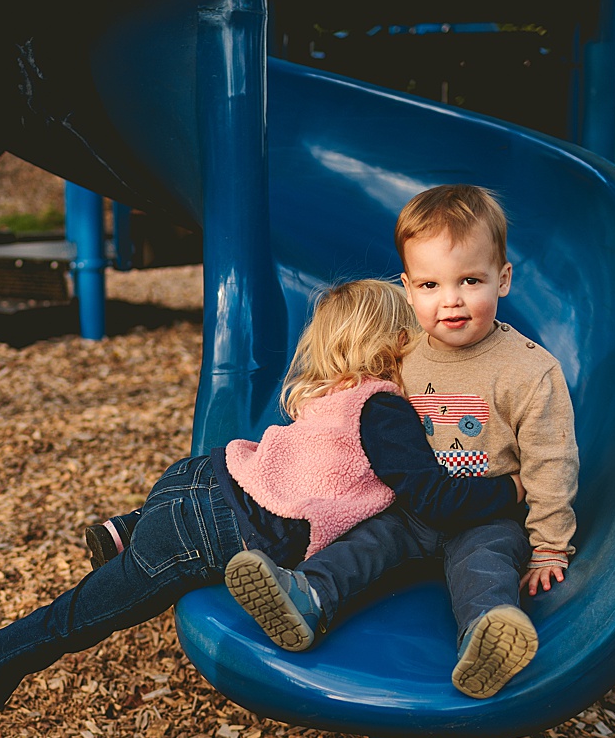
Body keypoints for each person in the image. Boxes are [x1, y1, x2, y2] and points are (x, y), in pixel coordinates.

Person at [0, 279, 523, 738]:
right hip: (216, 531)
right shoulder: (386, 411)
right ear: (393, 345)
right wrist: (507, 493)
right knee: (76, 618)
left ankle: (129, 530)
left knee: (127, 567)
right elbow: (432, 499)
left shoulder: (334, 393)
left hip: (198, 479)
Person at [211, 184, 578, 700]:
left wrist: (549, 545)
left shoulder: (530, 370)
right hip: (410, 507)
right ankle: (307, 596)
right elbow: (354, 401)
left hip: (486, 511)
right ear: (408, 289)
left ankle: (487, 636)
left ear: (504, 278)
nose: (450, 299)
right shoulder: (403, 356)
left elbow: (551, 460)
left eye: (470, 280)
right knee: (363, 545)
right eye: (430, 285)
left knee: (486, 565)